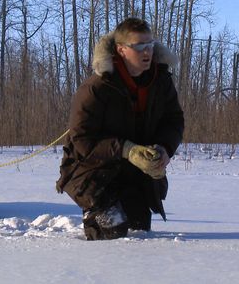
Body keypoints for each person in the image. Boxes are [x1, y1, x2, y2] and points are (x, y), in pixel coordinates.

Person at [56, 17, 184, 240]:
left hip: (136, 175)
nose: (147, 52)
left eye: (150, 45)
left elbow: (173, 120)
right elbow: (82, 140)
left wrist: (164, 149)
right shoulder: (96, 87)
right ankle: (95, 218)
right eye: (139, 46)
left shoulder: (161, 81)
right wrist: (127, 150)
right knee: (112, 233)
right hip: (93, 172)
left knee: (140, 232)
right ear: (121, 50)